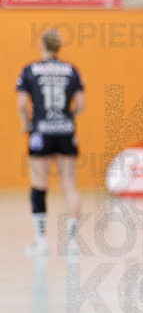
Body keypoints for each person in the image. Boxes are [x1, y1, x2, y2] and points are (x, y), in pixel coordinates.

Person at [16, 29, 85, 256]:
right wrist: (68, 119)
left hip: (41, 132)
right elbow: (81, 104)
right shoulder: (71, 70)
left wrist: (26, 124)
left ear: (42, 45)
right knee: (70, 185)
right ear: (59, 46)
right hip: (66, 132)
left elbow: (22, 104)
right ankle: (72, 242)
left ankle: (42, 242)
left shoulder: (30, 70)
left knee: (39, 185)